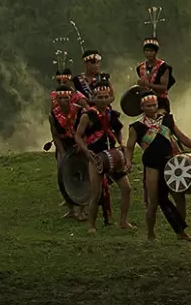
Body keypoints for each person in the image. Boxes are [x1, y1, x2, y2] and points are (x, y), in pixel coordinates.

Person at [124, 91, 191, 243]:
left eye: (154, 105)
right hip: (152, 166)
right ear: (142, 107)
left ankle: (181, 231)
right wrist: (128, 162)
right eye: (148, 106)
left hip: (171, 163)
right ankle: (150, 234)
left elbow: (181, 137)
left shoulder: (167, 120)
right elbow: (129, 147)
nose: (152, 108)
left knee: (179, 197)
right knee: (153, 202)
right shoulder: (136, 127)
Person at [75, 80, 131, 233]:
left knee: (126, 188)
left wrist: (121, 142)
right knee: (96, 193)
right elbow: (78, 136)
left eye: (106, 97)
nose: (103, 100)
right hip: (96, 158)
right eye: (99, 97)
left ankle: (123, 221)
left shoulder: (111, 114)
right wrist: (87, 152)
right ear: (93, 98)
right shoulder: (88, 116)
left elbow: (118, 130)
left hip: (113, 156)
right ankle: (91, 226)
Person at [49, 83, 85, 220]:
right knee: (63, 174)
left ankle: (81, 210)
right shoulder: (53, 115)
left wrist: (81, 146)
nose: (64, 100)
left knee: (83, 173)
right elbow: (55, 136)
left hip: (80, 143)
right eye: (61, 98)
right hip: (64, 144)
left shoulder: (80, 112)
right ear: (56, 100)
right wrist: (63, 153)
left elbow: (84, 132)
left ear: (71, 98)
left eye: (66, 98)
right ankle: (71, 209)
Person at [137, 37, 175, 113]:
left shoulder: (164, 67)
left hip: (160, 102)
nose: (149, 53)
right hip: (146, 103)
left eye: (151, 51)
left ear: (156, 52)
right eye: (147, 51)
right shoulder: (140, 67)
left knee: (163, 122)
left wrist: (149, 84)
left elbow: (163, 88)